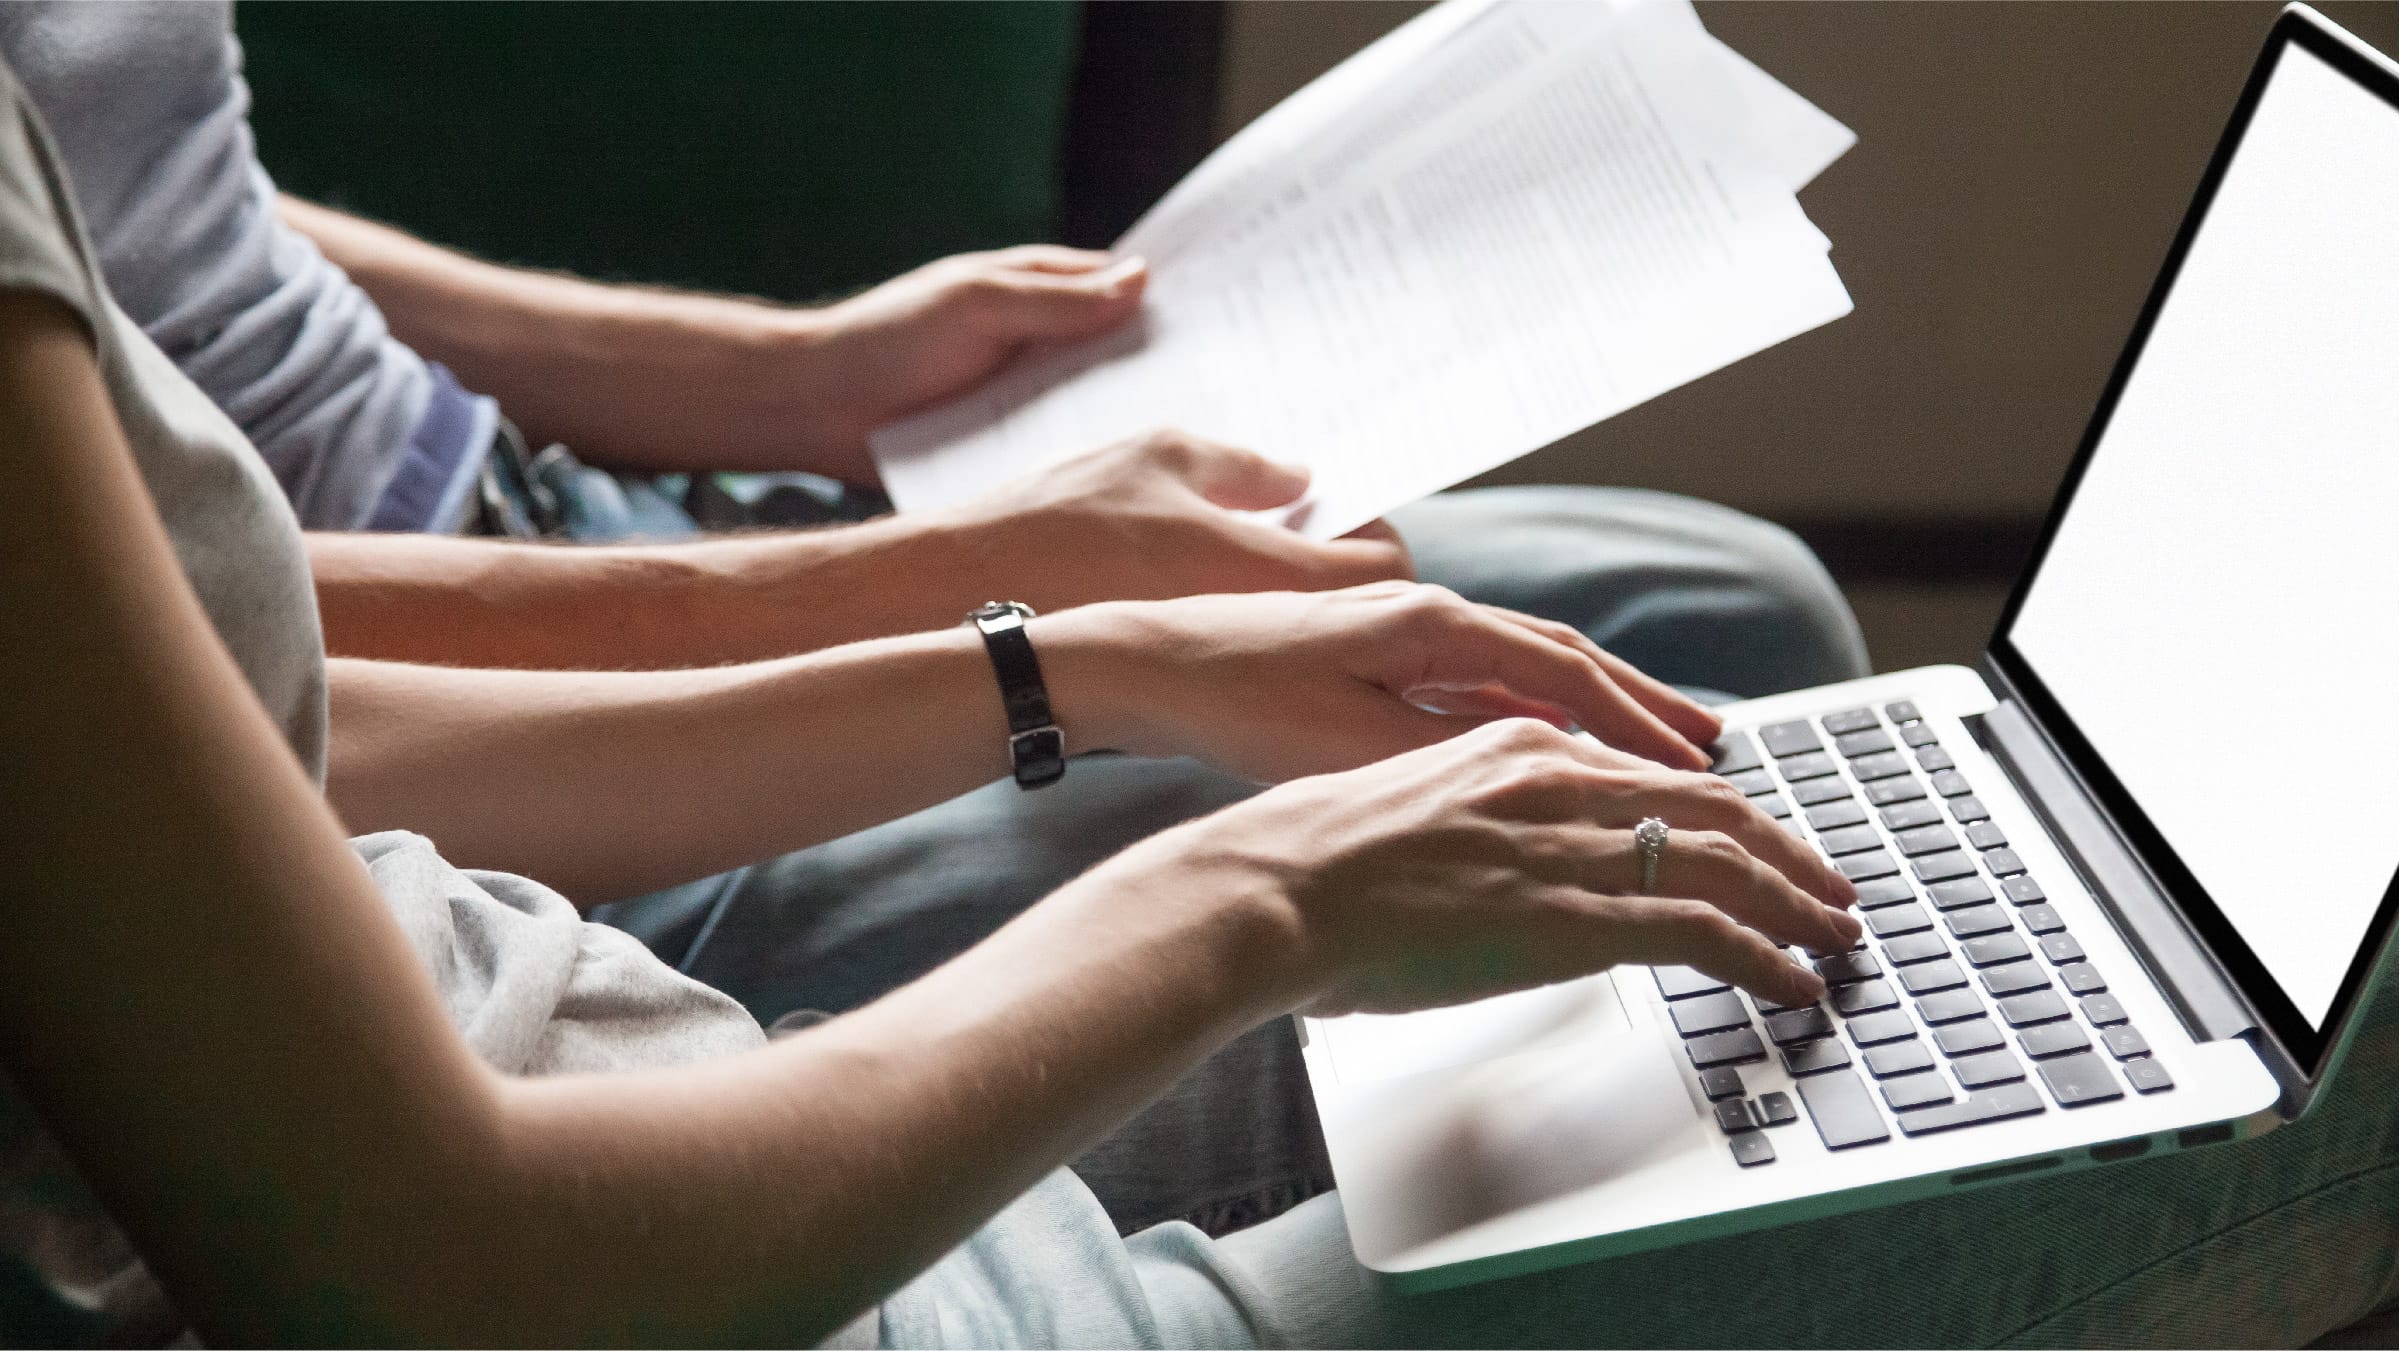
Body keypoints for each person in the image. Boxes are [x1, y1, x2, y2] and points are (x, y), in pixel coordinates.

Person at [6, 51, 2397, 1351]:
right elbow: (445, 1273)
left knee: (1818, 834)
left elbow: (299, 723)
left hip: (667, 1083)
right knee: (2344, 1113)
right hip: (760, 1251)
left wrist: (1077, 655)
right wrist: (1264, 885)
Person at [0, 0, 1871, 1236]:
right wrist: (1020, 622)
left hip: (517, 540)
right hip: (450, 774)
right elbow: (237, 670)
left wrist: (799, 384)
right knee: (1647, 875)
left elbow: (165, 212)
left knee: (1728, 621)